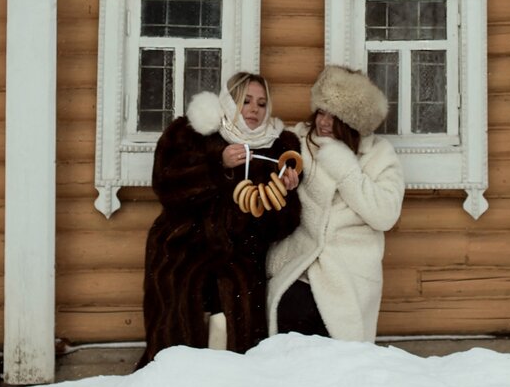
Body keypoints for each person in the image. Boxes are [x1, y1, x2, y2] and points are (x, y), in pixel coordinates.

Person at [139, 72, 301, 366]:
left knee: (232, 340)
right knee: (179, 332)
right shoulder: (190, 134)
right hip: (183, 246)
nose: (254, 110)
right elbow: (166, 185)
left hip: (240, 257)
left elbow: (281, 227)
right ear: (229, 102)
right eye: (246, 101)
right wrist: (217, 166)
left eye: (262, 104)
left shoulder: (278, 148)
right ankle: (169, 385)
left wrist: (285, 193)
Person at [267, 65, 405, 343]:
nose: (324, 123)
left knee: (338, 356)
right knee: (290, 328)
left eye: (335, 116)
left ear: (353, 121)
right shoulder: (300, 142)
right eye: (321, 112)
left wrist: (346, 170)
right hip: (300, 265)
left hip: (348, 272)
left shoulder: (379, 155)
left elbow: (385, 215)